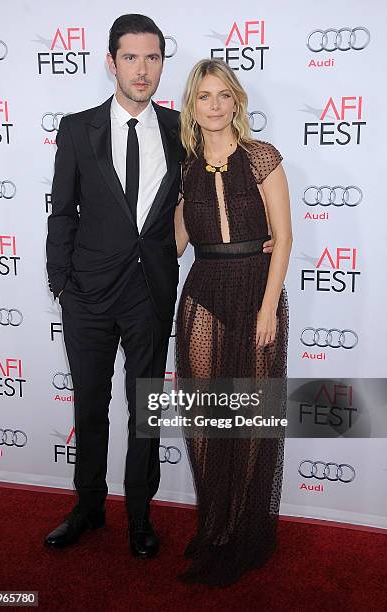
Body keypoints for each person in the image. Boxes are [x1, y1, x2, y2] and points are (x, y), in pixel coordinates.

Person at [44, 14, 183, 558]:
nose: (142, 69)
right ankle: (88, 506)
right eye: (131, 57)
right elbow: (62, 211)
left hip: (149, 289)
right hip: (88, 294)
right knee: (89, 406)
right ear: (111, 62)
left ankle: (140, 517)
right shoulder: (78, 128)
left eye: (152, 57)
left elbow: (203, 195)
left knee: (144, 407)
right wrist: (62, 284)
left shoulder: (179, 129)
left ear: (161, 63)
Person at [174, 59, 292, 586]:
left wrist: (268, 308)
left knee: (248, 421)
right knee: (204, 420)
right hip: (202, 293)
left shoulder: (261, 156)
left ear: (237, 101)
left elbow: (284, 238)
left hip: (255, 293)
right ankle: (215, 526)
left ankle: (241, 532)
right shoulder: (186, 165)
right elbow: (175, 244)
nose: (215, 105)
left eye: (223, 94)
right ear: (192, 106)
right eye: (204, 96)